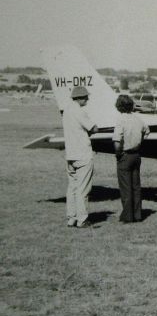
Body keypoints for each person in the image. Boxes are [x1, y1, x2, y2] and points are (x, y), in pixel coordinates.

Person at [63, 86, 98, 228]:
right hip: (82, 154)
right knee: (83, 189)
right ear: (80, 98)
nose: (87, 99)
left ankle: (71, 218)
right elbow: (93, 128)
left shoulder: (67, 110)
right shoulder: (79, 111)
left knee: (72, 188)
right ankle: (82, 220)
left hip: (70, 155)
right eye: (86, 97)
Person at [112, 95, 150, 223]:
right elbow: (147, 131)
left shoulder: (120, 120)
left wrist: (118, 154)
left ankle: (127, 216)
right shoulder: (137, 119)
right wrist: (139, 142)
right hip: (136, 155)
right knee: (136, 186)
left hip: (125, 155)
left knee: (125, 187)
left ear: (118, 107)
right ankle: (137, 214)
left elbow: (117, 142)